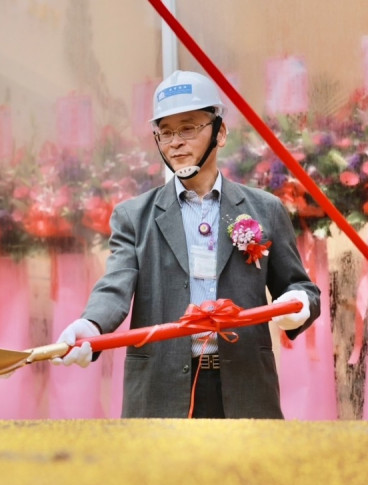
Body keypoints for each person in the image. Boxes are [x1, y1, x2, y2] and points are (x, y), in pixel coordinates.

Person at [53, 71, 321, 419]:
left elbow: (300, 287)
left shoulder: (265, 209)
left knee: (246, 474)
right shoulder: (134, 216)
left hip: (245, 386)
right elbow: (115, 286)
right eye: (165, 132)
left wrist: (298, 302)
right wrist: (91, 325)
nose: (175, 142)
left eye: (189, 127)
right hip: (160, 389)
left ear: (220, 132)